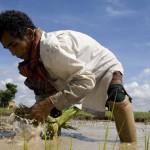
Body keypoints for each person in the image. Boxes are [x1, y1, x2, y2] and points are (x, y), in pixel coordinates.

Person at [0, 10, 137, 143]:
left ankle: (131, 145)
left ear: (29, 34)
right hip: (77, 74)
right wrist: (32, 112)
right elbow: (44, 98)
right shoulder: (33, 64)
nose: (13, 53)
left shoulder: (51, 48)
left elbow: (85, 81)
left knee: (117, 98)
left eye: (14, 45)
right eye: (8, 48)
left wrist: (46, 105)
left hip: (102, 66)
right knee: (51, 111)